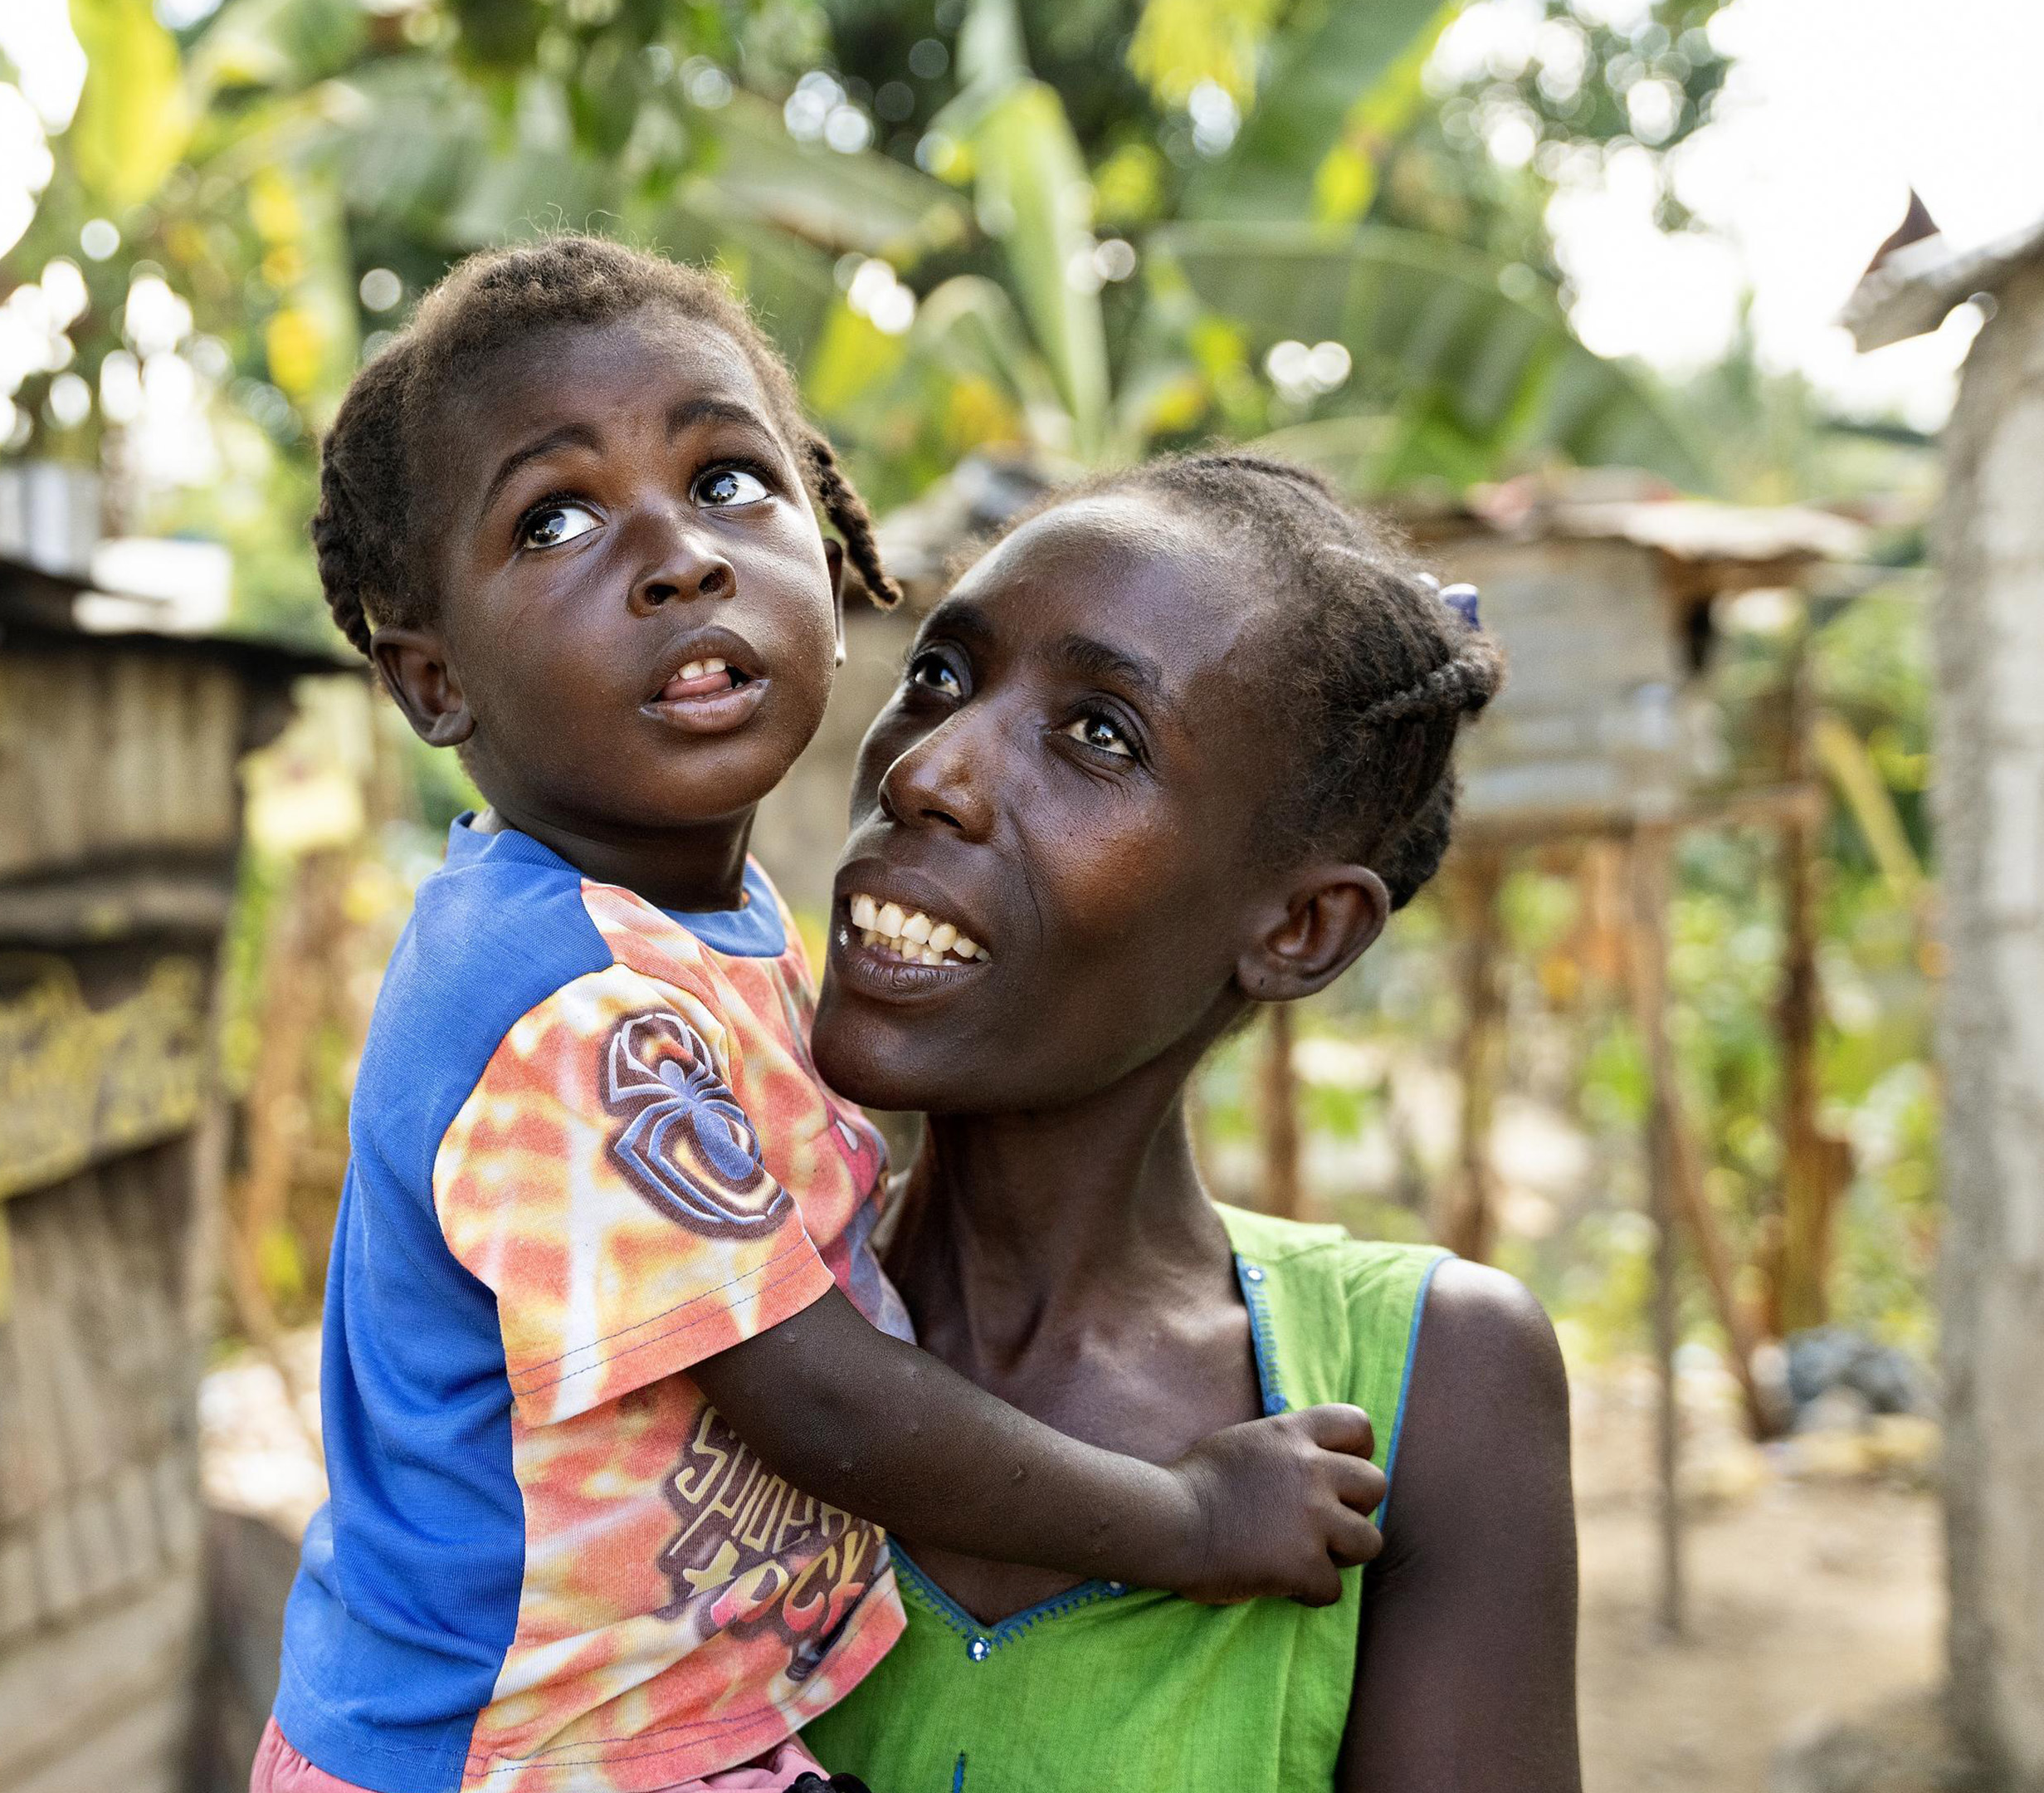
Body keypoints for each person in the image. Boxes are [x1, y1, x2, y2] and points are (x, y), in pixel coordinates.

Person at [262, 242, 1397, 1793]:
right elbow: (808, 1393)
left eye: (730, 483)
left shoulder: (692, 942)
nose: (675, 555)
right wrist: (1184, 1519)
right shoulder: (566, 997)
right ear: (434, 682)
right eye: (559, 518)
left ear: (832, 553)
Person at [801, 457, 1581, 1792]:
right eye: (941, 676)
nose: (928, 770)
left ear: (1298, 929)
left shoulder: (1423, 1393)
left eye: (1100, 733)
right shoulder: (699, 1307)